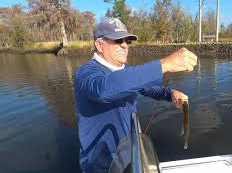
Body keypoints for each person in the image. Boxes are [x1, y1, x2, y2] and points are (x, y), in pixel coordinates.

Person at [74, 17, 198, 173]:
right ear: (99, 45)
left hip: (128, 150)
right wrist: (164, 65)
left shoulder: (125, 69)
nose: (125, 45)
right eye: (117, 40)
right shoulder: (85, 73)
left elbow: (146, 88)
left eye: (127, 40)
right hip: (101, 163)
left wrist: (170, 93)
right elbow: (103, 89)